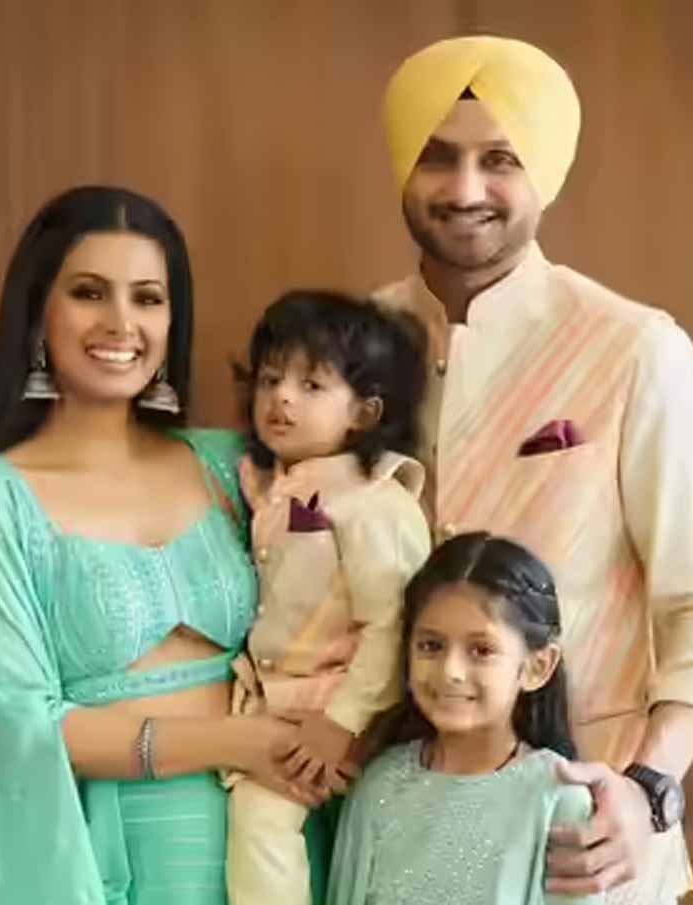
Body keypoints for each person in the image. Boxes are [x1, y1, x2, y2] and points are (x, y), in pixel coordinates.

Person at [374, 36, 693, 903]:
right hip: (397, 813)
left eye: (500, 159)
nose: (466, 188)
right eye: (438, 157)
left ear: (544, 170)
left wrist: (648, 790)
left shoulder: (635, 349)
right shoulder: (350, 346)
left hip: (584, 827)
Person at [0, 185, 317, 905]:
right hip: (109, 861)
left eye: (148, 298)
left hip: (278, 842)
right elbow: (17, 728)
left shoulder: (234, 467)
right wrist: (238, 742)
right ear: (38, 312)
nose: (121, 323)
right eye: (89, 293)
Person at [225, 290, 432, 905]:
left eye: (311, 385)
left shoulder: (372, 502)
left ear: (365, 413)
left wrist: (342, 722)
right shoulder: (268, 484)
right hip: (277, 700)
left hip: (346, 705)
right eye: (270, 380)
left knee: (264, 818)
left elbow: (394, 623)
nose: (281, 398)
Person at [328, 531, 603, 905]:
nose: (450, 671)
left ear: (537, 667)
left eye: (481, 650)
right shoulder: (379, 786)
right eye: (431, 646)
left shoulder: (559, 799)